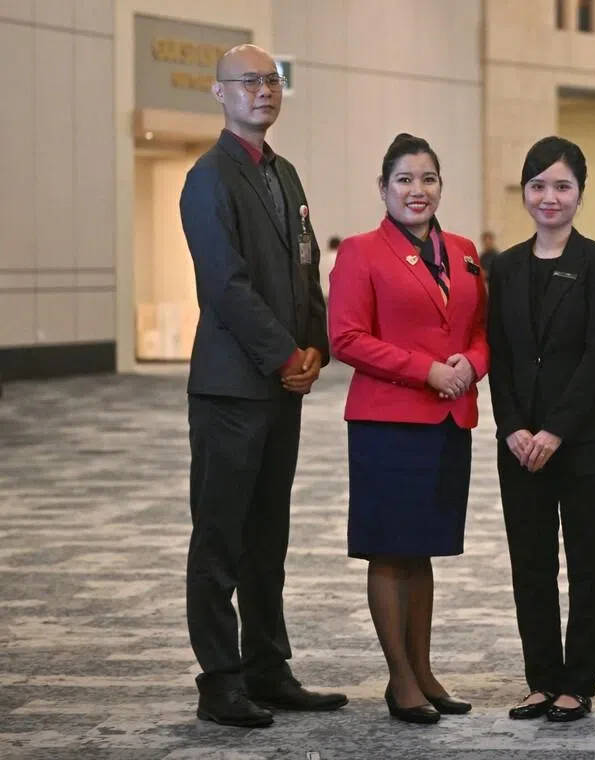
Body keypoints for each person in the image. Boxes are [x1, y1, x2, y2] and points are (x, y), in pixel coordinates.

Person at [179, 43, 347, 728]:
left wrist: (316, 345)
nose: (262, 91)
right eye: (247, 82)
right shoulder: (209, 178)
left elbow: (305, 270)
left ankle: (267, 666)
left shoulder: (285, 174)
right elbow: (226, 286)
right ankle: (220, 678)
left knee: (268, 533)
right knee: (220, 536)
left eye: (271, 81)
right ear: (219, 93)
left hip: (283, 385)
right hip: (231, 389)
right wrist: (284, 354)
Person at [327, 133, 489, 725]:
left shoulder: (465, 250)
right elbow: (346, 338)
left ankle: (423, 670)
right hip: (388, 422)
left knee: (422, 552)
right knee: (392, 554)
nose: (416, 191)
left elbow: (480, 327)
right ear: (383, 188)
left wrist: (472, 363)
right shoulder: (361, 252)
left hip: (449, 419)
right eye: (404, 180)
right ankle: (400, 680)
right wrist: (426, 372)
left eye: (428, 179)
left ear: (441, 185)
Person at [487, 137, 595, 723]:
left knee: (589, 563)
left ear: (580, 194)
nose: (549, 197)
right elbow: (498, 351)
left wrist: (555, 432)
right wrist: (513, 426)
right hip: (519, 444)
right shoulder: (507, 266)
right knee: (531, 564)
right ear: (525, 192)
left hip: (586, 438)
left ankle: (577, 684)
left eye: (562, 186)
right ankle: (541, 679)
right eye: (538, 185)